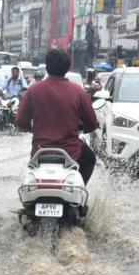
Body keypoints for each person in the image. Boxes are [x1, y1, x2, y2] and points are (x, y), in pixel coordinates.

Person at [16, 47, 99, 184]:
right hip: (72, 153)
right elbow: (91, 122)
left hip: (39, 152)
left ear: (47, 67)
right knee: (90, 158)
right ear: (68, 68)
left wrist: (31, 128)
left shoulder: (33, 90)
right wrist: (85, 127)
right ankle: (79, 193)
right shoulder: (78, 92)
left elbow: (20, 121)